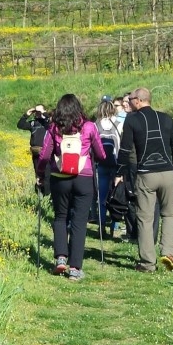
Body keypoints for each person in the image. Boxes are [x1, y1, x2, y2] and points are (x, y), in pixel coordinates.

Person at [36, 94, 108, 281]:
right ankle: (75, 268)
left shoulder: (54, 127)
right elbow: (101, 154)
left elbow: (44, 154)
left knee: (60, 217)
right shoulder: (89, 126)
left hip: (60, 178)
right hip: (83, 177)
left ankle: (61, 257)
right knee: (79, 222)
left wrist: (40, 174)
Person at [114, 88, 173, 273]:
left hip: (146, 174)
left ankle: (147, 263)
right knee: (170, 214)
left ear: (138, 100)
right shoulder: (166, 118)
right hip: (168, 172)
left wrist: (119, 172)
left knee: (145, 217)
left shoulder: (132, 119)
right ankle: (168, 251)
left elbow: (125, 149)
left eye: (131, 99)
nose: (129, 101)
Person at [92, 96, 122, 230]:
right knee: (116, 195)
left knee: (102, 195)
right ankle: (114, 225)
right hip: (116, 163)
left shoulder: (95, 124)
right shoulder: (119, 123)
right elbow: (121, 146)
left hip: (101, 164)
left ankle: (102, 224)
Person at [17, 104, 50, 179]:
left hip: (46, 152)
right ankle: (39, 189)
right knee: (38, 174)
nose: (37, 113)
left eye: (39, 111)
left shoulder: (48, 122)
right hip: (35, 152)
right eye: (36, 111)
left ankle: (47, 189)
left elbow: (54, 120)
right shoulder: (33, 123)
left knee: (47, 174)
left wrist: (43, 113)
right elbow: (20, 125)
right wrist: (27, 114)